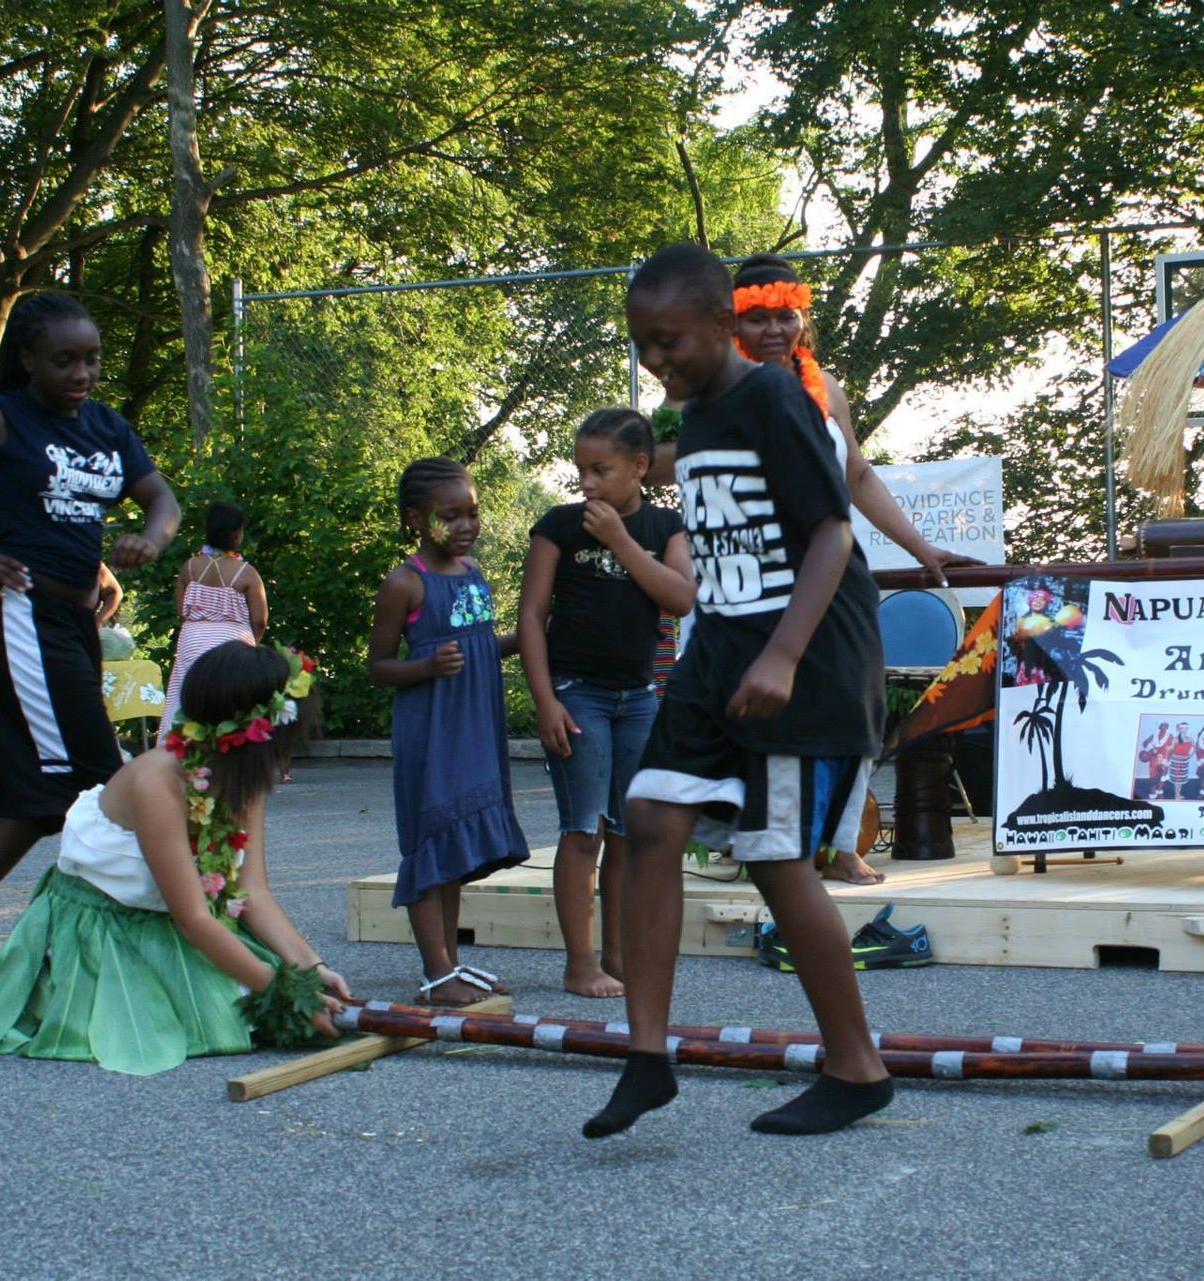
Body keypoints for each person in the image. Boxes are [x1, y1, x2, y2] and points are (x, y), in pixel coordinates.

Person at [584, 243, 891, 1139]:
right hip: (721, 646)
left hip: (805, 655)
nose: (655, 359)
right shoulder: (699, 417)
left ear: (723, 324)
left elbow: (833, 534)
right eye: (643, 344)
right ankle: (647, 1058)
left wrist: (783, 656)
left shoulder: (773, 400)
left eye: (670, 340)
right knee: (650, 814)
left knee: (774, 855)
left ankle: (857, 1068)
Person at [650, 253, 979, 887]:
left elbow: (857, 475)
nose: (775, 330)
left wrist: (922, 548)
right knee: (740, 708)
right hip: (742, 581)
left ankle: (841, 841)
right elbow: (659, 465)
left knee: (848, 706)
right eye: (758, 318)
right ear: (730, 325)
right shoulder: (702, 390)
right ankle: (739, 838)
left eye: (787, 316)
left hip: (824, 577)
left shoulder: (826, 389)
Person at [0, 292, 179, 1007]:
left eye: (91, 359)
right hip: (18, 614)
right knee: (98, 783)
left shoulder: (107, 427)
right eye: (64, 360)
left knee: (43, 792)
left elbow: (162, 499)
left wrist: (150, 538)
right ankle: (112, 949)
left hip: (74, 619)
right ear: (27, 358)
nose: (81, 373)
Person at [0, 642, 346, 1072]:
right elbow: (193, 918)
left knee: (270, 1006)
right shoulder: (158, 781)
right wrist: (284, 993)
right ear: (258, 734)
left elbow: (252, 891)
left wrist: (310, 967)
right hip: (105, 924)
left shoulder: (242, 776)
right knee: (214, 1017)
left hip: (178, 917)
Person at [518, 407, 694, 998]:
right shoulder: (559, 526)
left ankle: (617, 955)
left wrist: (620, 540)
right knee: (583, 829)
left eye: (601, 470)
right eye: (581, 470)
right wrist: (545, 700)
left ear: (640, 466)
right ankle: (580, 964)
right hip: (577, 695)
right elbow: (531, 616)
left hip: (638, 698)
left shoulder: (664, 526)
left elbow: (681, 598)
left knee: (626, 833)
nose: (587, 483)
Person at [367, 457, 529, 1007]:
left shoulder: (473, 571)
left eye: (472, 513)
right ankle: (436, 974)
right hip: (432, 732)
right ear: (416, 520)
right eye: (450, 516)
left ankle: (451, 965)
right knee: (429, 843)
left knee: (454, 853)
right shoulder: (405, 583)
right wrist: (426, 667)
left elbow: (480, 646)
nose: (465, 525)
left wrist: (527, 636)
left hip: (474, 728)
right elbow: (378, 666)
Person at [159, 502, 266, 746]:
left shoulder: (189, 567)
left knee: (185, 699)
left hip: (193, 640)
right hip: (233, 644)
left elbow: (182, 612)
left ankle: (181, 752)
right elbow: (259, 621)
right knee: (232, 704)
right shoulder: (247, 573)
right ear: (237, 534)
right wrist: (251, 644)